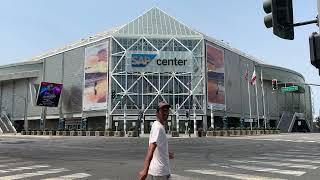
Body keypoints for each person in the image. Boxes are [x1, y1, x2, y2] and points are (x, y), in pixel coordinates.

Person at [138, 101, 174, 180]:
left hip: (158, 171)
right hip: (160, 173)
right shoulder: (158, 127)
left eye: (167, 111)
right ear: (157, 113)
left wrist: (166, 153)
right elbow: (151, 148)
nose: (166, 113)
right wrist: (145, 170)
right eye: (163, 110)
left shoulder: (157, 125)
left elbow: (157, 147)